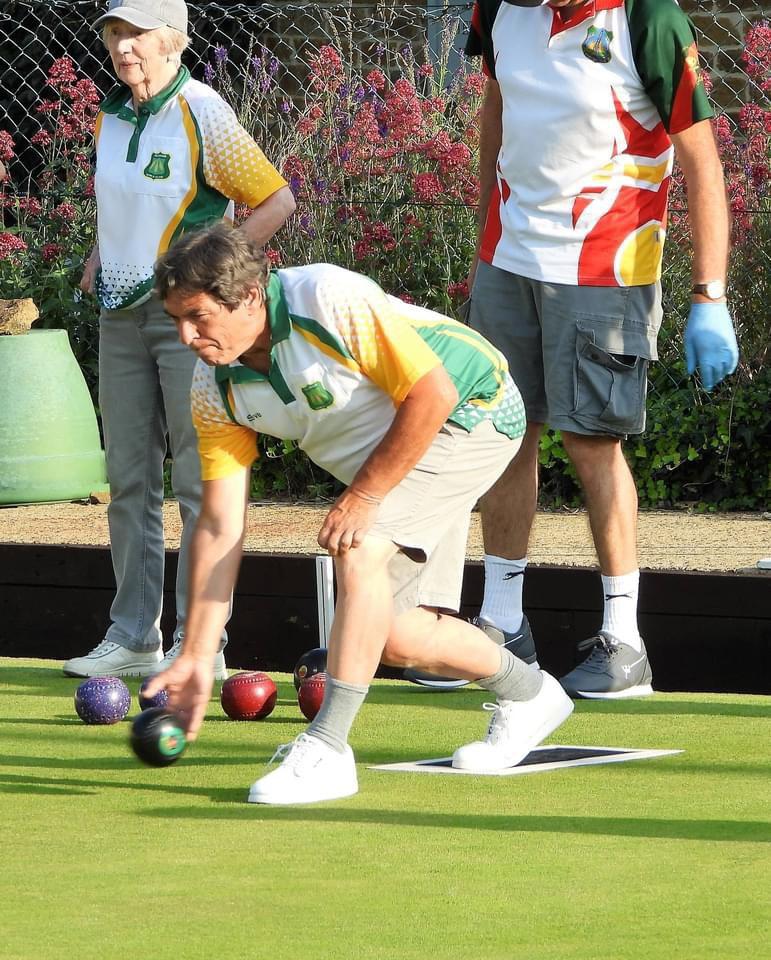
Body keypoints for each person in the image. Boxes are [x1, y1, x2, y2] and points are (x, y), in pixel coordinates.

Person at [142, 222, 575, 804]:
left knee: (359, 547)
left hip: (473, 409)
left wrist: (364, 497)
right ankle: (530, 694)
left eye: (197, 317)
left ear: (246, 297)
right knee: (392, 637)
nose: (186, 336)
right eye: (176, 321)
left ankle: (327, 748)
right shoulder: (213, 387)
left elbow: (433, 394)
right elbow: (220, 527)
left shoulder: (326, 299)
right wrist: (197, 650)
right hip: (397, 455)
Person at [406, 0, 739, 697]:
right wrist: (483, 240)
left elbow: (701, 163)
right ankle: (502, 623)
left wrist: (708, 296)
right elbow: (497, 109)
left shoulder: (649, 19)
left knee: (592, 443)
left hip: (605, 266)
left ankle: (624, 642)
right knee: (501, 431)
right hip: (508, 259)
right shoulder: (499, 7)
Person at [62, 0, 295, 680]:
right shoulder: (109, 114)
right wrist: (101, 256)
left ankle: (202, 644)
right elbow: (123, 199)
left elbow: (276, 201)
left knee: (200, 483)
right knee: (129, 480)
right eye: (113, 34)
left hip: (186, 323)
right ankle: (133, 636)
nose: (122, 47)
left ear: (172, 41)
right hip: (119, 315)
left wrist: (213, 273)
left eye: (135, 34)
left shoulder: (202, 109)